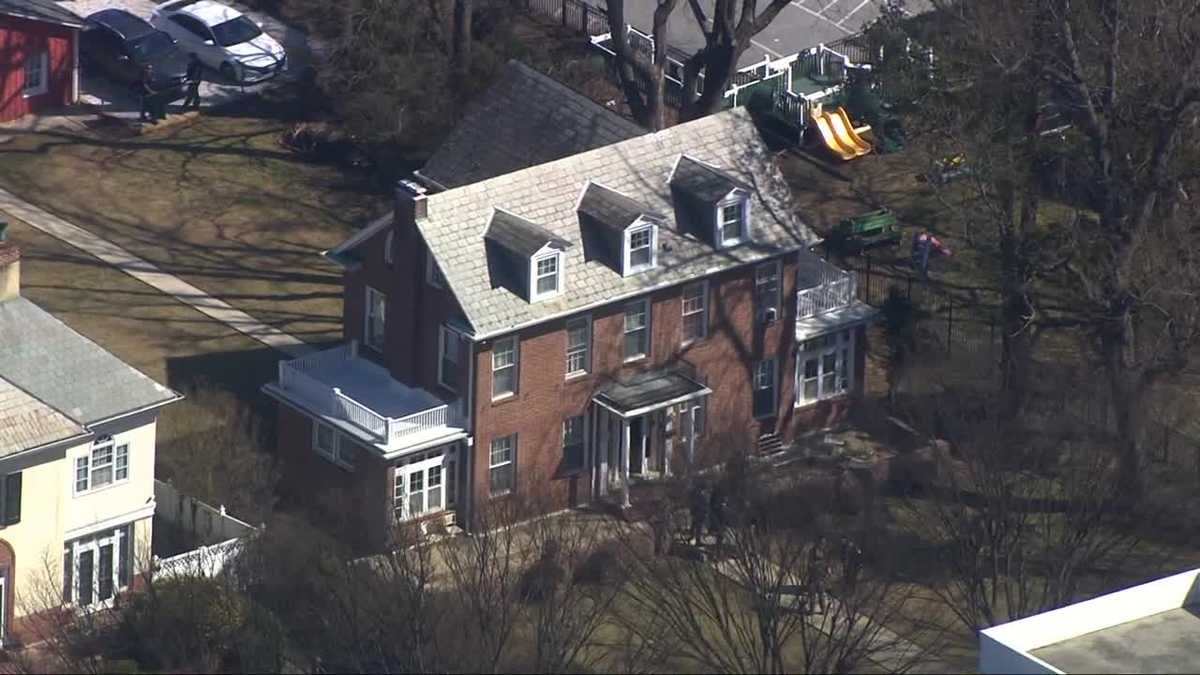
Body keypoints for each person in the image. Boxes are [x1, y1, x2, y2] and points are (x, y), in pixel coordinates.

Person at [688, 482, 709, 546]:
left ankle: (691, 537)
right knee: (698, 527)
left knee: (695, 526)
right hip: (699, 513)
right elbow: (700, 504)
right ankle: (696, 540)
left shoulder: (696, 494)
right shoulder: (699, 495)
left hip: (697, 512)